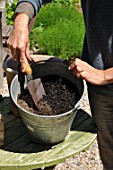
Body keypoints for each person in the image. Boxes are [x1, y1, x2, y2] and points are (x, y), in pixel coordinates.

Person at [7, 0, 113, 169]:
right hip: (101, 89)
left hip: (102, 79)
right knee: (109, 154)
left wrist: (104, 75)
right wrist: (21, 18)